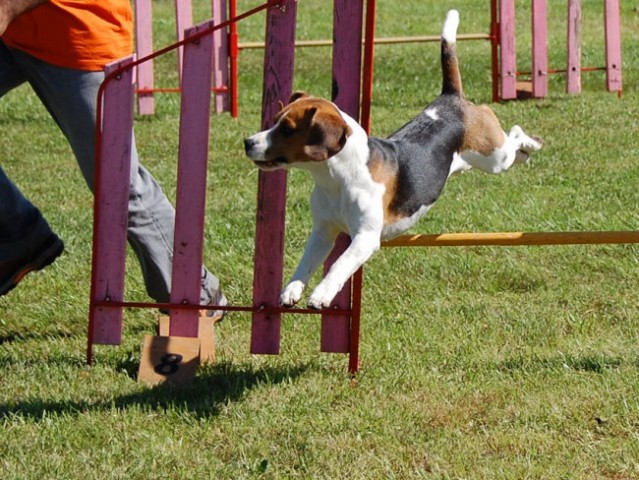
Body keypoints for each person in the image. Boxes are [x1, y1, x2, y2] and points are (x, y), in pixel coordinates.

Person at [0, 0, 227, 316]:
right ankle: (17, 234)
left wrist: (6, 8)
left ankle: (196, 296)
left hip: (81, 33)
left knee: (119, 186)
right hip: (15, 34)